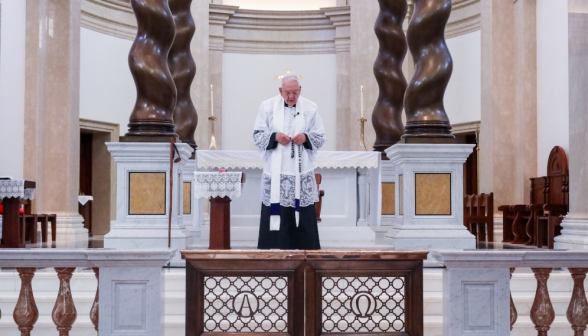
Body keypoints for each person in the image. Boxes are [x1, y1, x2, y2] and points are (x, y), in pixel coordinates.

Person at [252, 74, 326, 250]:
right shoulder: (267, 106)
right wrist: (275, 136)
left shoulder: (310, 107)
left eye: (294, 92)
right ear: (280, 91)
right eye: (287, 92)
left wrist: (305, 137)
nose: (291, 96)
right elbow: (257, 135)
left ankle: (305, 252)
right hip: (276, 170)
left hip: (301, 169)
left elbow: (320, 135)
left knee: (302, 213)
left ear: (300, 90)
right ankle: (272, 252)